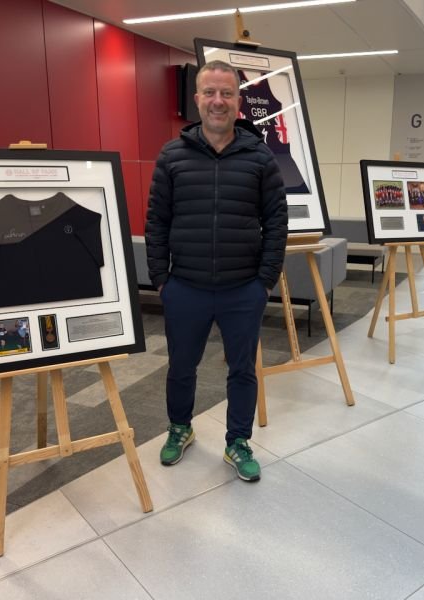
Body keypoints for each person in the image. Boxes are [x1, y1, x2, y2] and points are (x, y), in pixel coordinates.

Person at [145, 60, 288, 482]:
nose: (218, 101)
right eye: (210, 92)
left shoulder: (260, 156)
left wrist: (264, 281)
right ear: (197, 99)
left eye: (226, 93)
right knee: (180, 367)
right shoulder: (172, 155)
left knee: (242, 370)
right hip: (184, 286)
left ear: (237, 101)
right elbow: (156, 221)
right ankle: (180, 427)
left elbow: (276, 222)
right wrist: (161, 280)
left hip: (243, 288)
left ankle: (237, 441)